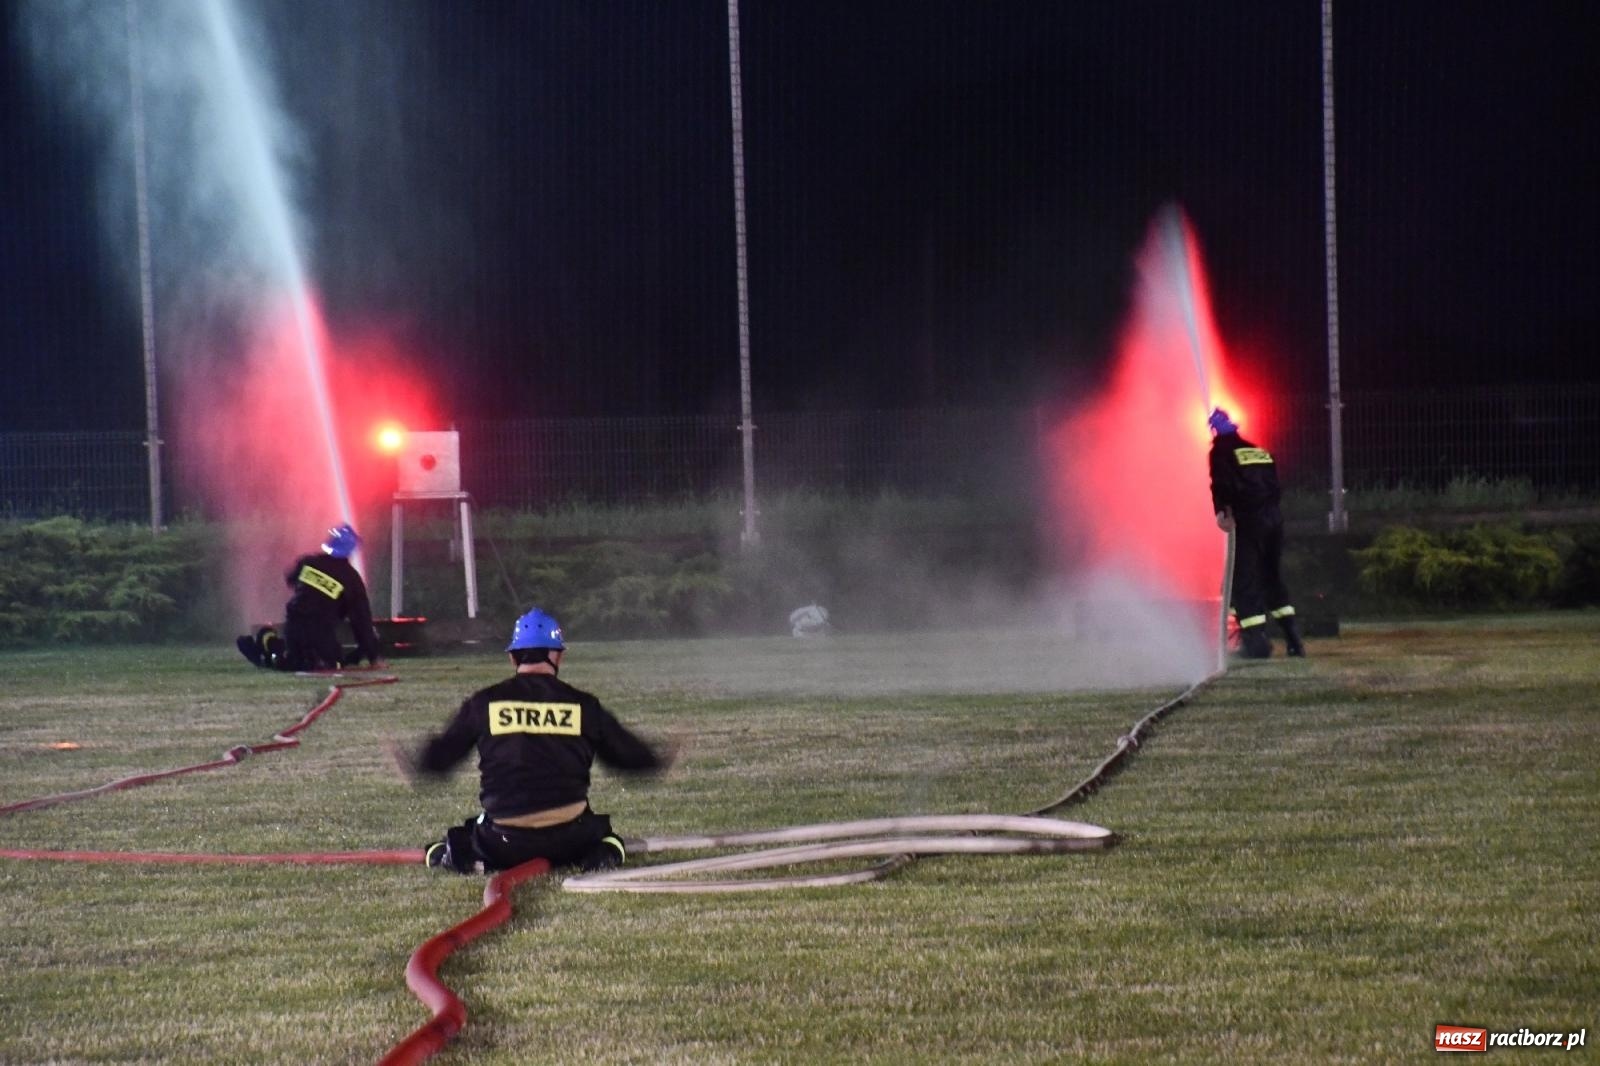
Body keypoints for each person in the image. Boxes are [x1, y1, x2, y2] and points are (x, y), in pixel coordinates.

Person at [391, 607, 672, 874]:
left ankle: (446, 854)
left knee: (461, 837)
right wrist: (660, 757)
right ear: (557, 656)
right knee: (608, 837)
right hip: (571, 839)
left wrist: (415, 761)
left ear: (513, 658)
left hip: (503, 843)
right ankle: (605, 854)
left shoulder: (484, 703)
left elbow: (440, 759)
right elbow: (629, 758)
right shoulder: (584, 705)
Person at [1208, 408, 1305, 659]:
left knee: (1244, 580)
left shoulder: (1221, 452)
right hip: (1273, 521)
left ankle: (1256, 644)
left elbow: (1221, 484)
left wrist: (1222, 511)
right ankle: (1294, 640)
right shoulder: (1257, 451)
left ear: (1215, 430)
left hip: (1249, 522)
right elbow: (1275, 488)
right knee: (1272, 577)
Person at [236, 523, 384, 671]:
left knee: (298, 660)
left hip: (294, 626)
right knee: (328, 666)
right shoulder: (351, 579)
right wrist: (373, 657)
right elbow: (362, 622)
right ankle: (271, 648)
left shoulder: (308, 562)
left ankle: (269, 642)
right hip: (321, 633)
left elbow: (291, 579)